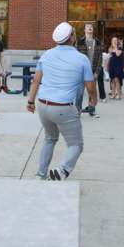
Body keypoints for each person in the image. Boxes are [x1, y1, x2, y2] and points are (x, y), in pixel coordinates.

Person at [27, 22, 96, 180]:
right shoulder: (82, 59)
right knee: (76, 145)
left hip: (43, 105)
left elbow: (35, 81)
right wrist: (94, 101)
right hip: (64, 107)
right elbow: (91, 87)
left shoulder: (46, 55)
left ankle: (41, 174)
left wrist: (30, 101)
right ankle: (63, 170)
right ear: (72, 38)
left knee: (50, 139)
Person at [76, 23, 103, 117]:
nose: (90, 28)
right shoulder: (80, 42)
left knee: (92, 91)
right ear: (84, 30)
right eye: (88, 27)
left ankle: (91, 109)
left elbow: (100, 59)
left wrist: (97, 72)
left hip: (93, 72)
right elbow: (76, 58)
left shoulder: (98, 42)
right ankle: (78, 110)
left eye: (91, 27)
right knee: (79, 92)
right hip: (82, 72)